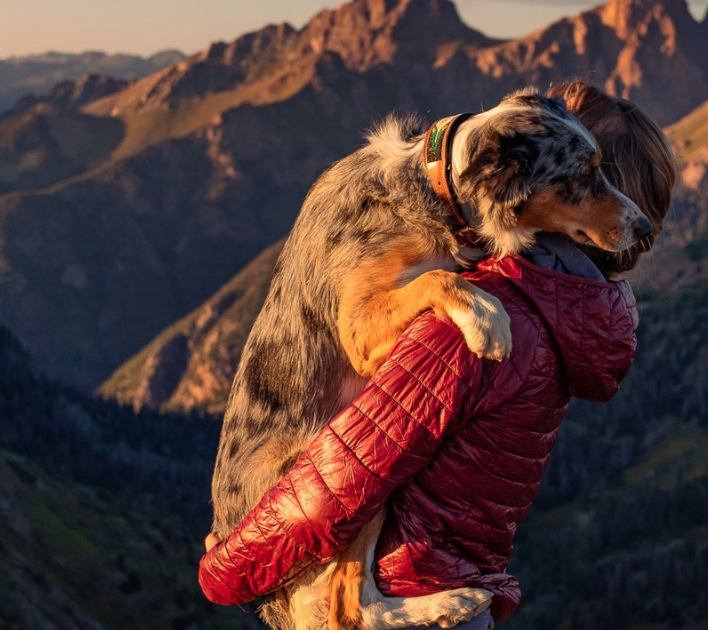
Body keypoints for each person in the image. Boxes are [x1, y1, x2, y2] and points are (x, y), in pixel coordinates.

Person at [197, 80, 678, 629]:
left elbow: (347, 475)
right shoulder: (562, 312)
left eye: (597, 177)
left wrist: (224, 570)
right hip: (457, 591)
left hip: (399, 596)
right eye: (586, 178)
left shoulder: (477, 323)